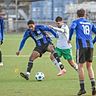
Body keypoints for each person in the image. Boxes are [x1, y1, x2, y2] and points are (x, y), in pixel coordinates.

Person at [68, 8, 96, 96]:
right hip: (90, 46)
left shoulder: (76, 21)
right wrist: (93, 41)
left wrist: (69, 38)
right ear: (85, 14)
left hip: (81, 46)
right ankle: (93, 86)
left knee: (80, 66)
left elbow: (72, 28)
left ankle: (82, 88)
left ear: (77, 15)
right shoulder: (90, 23)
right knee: (89, 66)